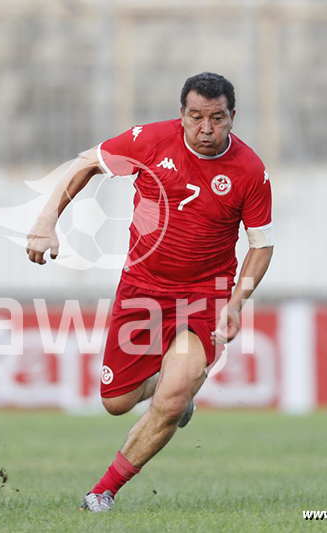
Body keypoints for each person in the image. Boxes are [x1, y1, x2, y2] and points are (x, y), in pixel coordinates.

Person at [27, 72, 273, 512]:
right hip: (142, 290)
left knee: (174, 396)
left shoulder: (250, 171)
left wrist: (236, 302)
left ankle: (102, 491)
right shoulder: (151, 141)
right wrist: (47, 222)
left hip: (207, 294)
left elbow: (261, 246)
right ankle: (169, 388)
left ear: (232, 117)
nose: (206, 129)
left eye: (217, 118)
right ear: (182, 115)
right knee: (116, 402)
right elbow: (87, 162)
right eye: (196, 117)